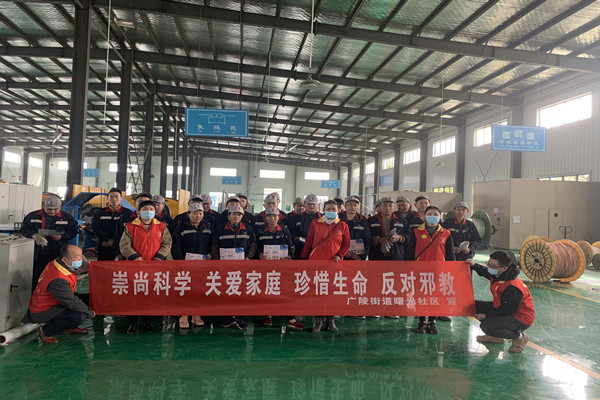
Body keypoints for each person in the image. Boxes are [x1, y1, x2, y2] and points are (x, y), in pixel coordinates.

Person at [23, 244, 95, 344]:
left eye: (81, 255)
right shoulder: (58, 278)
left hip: (56, 302)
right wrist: (90, 312)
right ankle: (45, 331)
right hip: (44, 310)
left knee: (86, 300)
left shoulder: (57, 263)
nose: (81, 259)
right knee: (80, 316)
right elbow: (71, 301)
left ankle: (68, 327)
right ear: (65, 259)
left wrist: (81, 270)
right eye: (77, 257)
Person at [119, 200, 172, 334]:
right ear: (139, 212)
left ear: (155, 211)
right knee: (134, 295)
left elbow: (167, 243)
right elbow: (124, 245)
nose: (148, 211)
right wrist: (135, 257)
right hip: (135, 266)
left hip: (155, 266)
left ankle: (148, 322)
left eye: (151, 209)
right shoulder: (130, 226)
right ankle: (133, 322)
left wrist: (159, 257)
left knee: (151, 294)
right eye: (145, 209)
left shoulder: (161, 226)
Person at [466, 252, 534, 353]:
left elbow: (507, 310)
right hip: (501, 308)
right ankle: (496, 337)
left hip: (519, 318)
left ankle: (519, 337)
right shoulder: (498, 274)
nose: (489, 267)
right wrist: (474, 265)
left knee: (486, 326)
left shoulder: (512, 287)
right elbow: (485, 272)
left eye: (493, 266)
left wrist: (486, 316)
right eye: (488, 264)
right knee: (472, 306)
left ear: (504, 268)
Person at [301, 200, 350, 333]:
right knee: (318, 292)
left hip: (334, 265)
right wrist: (303, 258)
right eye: (328, 209)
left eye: (334, 209)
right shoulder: (315, 223)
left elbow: (346, 244)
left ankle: (330, 320)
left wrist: (339, 255)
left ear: (338, 210)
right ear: (323, 210)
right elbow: (309, 241)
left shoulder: (343, 225)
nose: (331, 211)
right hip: (316, 263)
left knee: (332, 292)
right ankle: (318, 320)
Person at [406, 205, 455, 334]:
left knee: (435, 297)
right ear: (424, 216)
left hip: (438, 272)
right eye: (429, 214)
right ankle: (421, 321)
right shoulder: (416, 232)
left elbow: (450, 255)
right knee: (420, 296)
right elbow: (410, 252)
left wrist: (452, 270)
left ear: (440, 217)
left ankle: (432, 322)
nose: (432, 217)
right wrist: (408, 268)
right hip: (420, 271)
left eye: (435, 214)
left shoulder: (446, 233)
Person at [256, 207, 303, 330]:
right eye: (269, 216)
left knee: (286, 290)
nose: (272, 218)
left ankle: (291, 318)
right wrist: (259, 254)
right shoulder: (260, 231)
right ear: (265, 218)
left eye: (274, 216)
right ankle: (268, 314)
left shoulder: (285, 231)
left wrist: (290, 255)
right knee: (268, 289)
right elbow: (255, 246)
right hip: (266, 267)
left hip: (283, 267)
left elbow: (291, 247)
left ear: (279, 218)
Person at [211, 205, 257, 330]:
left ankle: (240, 317)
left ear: (242, 216)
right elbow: (214, 245)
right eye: (234, 214)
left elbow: (253, 244)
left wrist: (248, 258)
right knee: (226, 291)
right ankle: (227, 317)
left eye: (239, 214)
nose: (236, 216)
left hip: (242, 267)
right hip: (224, 267)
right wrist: (217, 261)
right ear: (228, 215)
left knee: (241, 291)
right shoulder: (220, 228)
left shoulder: (248, 229)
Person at [21, 195, 79, 290]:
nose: (52, 212)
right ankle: (36, 295)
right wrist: (34, 235)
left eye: (55, 209)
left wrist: (61, 237)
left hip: (58, 253)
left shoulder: (67, 218)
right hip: (38, 253)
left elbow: (73, 231)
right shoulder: (33, 216)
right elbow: (24, 230)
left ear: (60, 207)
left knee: (57, 277)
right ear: (44, 206)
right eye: (49, 209)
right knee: (37, 277)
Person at [171, 202, 213, 329]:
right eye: (194, 213)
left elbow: (211, 244)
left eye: (200, 213)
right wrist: (181, 262)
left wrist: (210, 255)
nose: (198, 216)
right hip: (185, 265)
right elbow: (176, 247)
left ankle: (196, 314)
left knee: (199, 290)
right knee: (184, 289)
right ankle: (183, 315)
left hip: (202, 265)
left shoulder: (207, 227)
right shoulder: (180, 228)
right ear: (188, 214)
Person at [368, 197, 409, 261]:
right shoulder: (371, 221)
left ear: (394, 207)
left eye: (390, 206)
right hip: (376, 256)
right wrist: (378, 240)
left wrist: (399, 238)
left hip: (397, 256)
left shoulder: (402, 221)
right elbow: (365, 237)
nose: (387, 208)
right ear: (380, 207)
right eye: (384, 205)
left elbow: (409, 235)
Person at [112, 192, 152, 259]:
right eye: (140, 201)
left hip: (151, 257)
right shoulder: (125, 219)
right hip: (128, 256)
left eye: (146, 202)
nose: (143, 204)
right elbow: (118, 235)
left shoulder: (157, 221)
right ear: (134, 203)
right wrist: (117, 253)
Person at [91, 187, 125, 261]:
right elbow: (95, 228)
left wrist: (115, 241)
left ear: (121, 198)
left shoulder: (127, 213)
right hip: (104, 245)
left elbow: (128, 230)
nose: (114, 199)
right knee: (103, 267)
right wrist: (107, 239)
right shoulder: (100, 213)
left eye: (116, 197)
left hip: (122, 248)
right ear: (107, 198)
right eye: (111, 197)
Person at [339, 196, 371, 261]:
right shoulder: (338, 220)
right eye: (350, 204)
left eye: (355, 205)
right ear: (345, 206)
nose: (352, 207)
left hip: (357, 257)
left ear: (358, 207)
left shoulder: (363, 222)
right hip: (339, 256)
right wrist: (342, 253)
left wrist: (361, 256)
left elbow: (367, 240)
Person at [290, 194, 321, 259]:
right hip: (300, 250)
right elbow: (291, 233)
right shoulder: (297, 218)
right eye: (309, 204)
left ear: (317, 205)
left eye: (313, 204)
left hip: (317, 250)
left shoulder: (322, 218)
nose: (311, 206)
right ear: (304, 204)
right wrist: (300, 239)